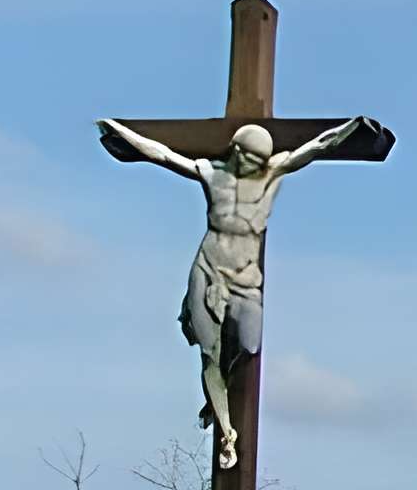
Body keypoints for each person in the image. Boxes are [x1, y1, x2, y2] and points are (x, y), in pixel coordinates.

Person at [96, 115, 379, 470]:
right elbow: (162, 155)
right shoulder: (211, 173)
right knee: (209, 353)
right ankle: (226, 431)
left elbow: (319, 146)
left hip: (245, 278)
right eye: (251, 158)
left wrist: (354, 127)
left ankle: (220, 395)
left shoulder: (271, 172)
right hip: (208, 270)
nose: (256, 166)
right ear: (237, 150)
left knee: (247, 344)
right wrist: (119, 131)